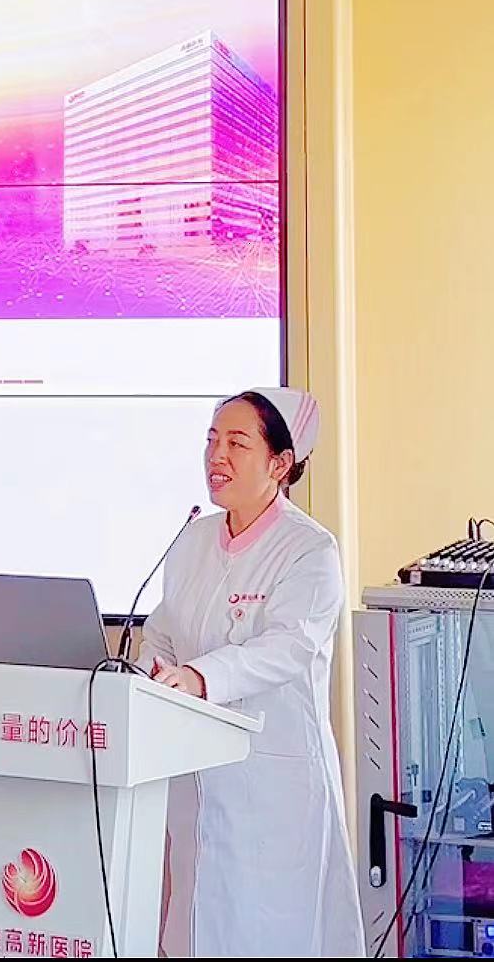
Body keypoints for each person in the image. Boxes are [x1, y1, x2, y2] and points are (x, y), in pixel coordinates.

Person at [138, 388, 364, 959]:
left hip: (272, 783)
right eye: (212, 440)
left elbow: (288, 646)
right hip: (195, 772)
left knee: (269, 931)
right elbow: (162, 630)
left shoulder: (309, 550)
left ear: (280, 464)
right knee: (196, 923)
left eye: (237, 443)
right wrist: (147, 671)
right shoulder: (193, 540)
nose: (216, 455)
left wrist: (199, 678)